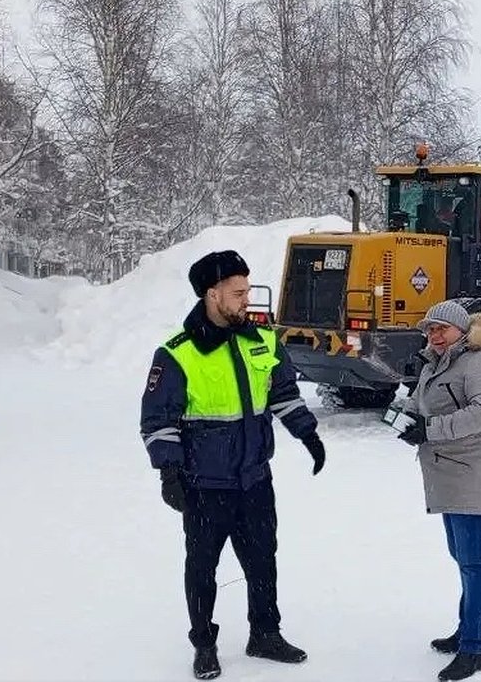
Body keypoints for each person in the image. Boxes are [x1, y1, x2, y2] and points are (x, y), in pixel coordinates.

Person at [139, 250, 326, 680]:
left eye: (247, 290)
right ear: (212, 294)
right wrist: (168, 472)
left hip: (255, 478)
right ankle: (204, 643)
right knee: (202, 567)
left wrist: (307, 434)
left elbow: (283, 394)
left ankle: (265, 633)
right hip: (205, 483)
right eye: (238, 293)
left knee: (263, 560)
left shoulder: (261, 340)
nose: (247, 300)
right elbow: (157, 420)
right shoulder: (177, 354)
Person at [396, 299, 481, 682]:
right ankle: (466, 628)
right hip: (447, 472)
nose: (434, 335)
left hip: (474, 472)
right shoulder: (437, 362)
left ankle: (475, 648)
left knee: (474, 561)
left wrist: (431, 430)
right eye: (429, 329)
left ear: (461, 330)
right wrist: (406, 413)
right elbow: (424, 400)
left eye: (441, 328)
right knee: (461, 556)